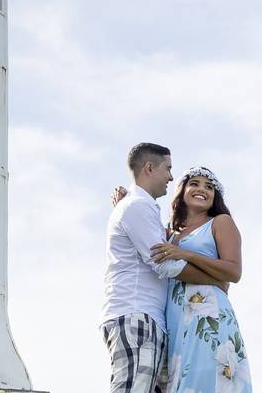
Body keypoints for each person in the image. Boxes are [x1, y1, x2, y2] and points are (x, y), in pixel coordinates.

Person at [102, 144, 227, 393]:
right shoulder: (136, 207)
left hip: (150, 319)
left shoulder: (139, 208)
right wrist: (216, 280)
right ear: (150, 168)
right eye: (168, 169)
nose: (171, 176)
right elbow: (165, 264)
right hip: (137, 313)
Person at [149, 166, 252, 392]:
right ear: (182, 190)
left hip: (208, 317)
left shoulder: (220, 222)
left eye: (209, 187)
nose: (202, 189)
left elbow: (234, 272)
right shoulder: (171, 234)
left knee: (208, 380)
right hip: (176, 321)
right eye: (194, 183)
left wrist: (187, 254)